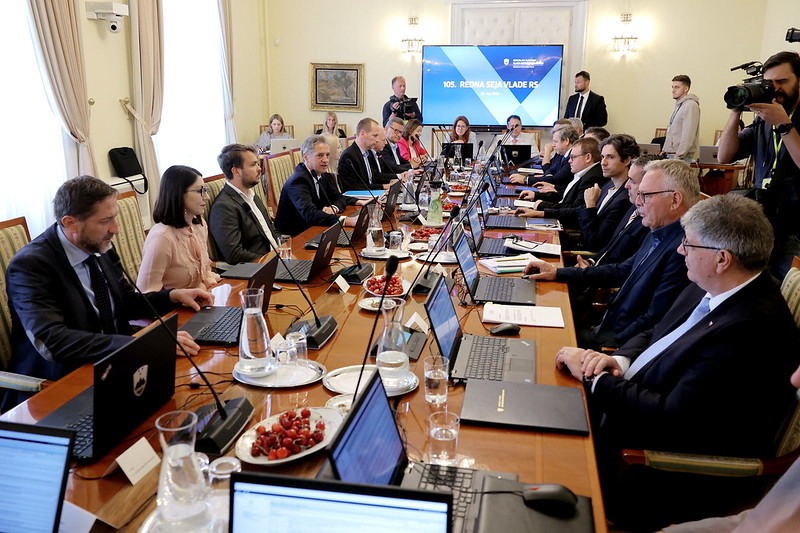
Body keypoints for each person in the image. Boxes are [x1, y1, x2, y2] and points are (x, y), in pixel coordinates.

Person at [556, 194, 800, 530]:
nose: (681, 250)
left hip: (659, 467)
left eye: (689, 244)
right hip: (626, 403)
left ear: (722, 259)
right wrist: (619, 361)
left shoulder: (750, 327)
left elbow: (670, 417)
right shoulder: (714, 283)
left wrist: (593, 378)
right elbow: (657, 330)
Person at [2, 176, 212, 410]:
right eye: (105, 221)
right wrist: (140, 345)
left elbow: (125, 302)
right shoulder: (30, 266)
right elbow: (54, 341)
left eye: (115, 217)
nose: (116, 229)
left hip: (115, 366)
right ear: (71, 223)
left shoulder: (97, 246)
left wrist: (172, 296)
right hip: (60, 385)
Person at [524, 160, 699, 349]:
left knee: (534, 339)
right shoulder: (658, 231)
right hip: (603, 325)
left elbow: (653, 320)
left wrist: (603, 348)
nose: (638, 202)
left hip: (610, 344)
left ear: (675, 200)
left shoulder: (684, 251)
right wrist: (557, 272)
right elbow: (621, 270)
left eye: (645, 195)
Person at [718, 50, 800, 279]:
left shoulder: (783, 119)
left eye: (782, 81)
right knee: (763, 285)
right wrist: (736, 111)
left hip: (795, 228)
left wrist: (784, 124)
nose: (775, 88)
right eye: (770, 83)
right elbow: (724, 156)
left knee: (790, 293)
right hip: (765, 222)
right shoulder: (763, 118)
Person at [137, 165, 221, 292]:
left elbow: (205, 271)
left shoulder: (199, 225)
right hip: (175, 304)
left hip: (202, 298)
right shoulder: (162, 237)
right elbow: (146, 294)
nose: (207, 197)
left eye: (206, 190)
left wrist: (207, 284)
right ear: (179, 194)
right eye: (200, 191)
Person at [274, 135, 367, 236]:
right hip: (294, 236)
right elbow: (310, 214)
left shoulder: (321, 173)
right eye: (320, 155)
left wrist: (334, 208)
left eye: (327, 155)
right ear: (306, 157)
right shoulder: (298, 181)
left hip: (316, 228)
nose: (326, 160)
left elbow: (339, 197)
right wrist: (347, 220)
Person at [209, 143, 281, 264]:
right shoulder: (224, 207)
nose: (259, 169)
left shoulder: (252, 195)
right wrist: (270, 260)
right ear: (236, 171)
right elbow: (234, 254)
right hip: (259, 268)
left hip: (278, 260)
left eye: (257, 164)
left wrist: (284, 249)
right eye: (253, 164)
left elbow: (270, 230)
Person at [513, 137, 606, 227]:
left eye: (573, 157)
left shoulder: (592, 178)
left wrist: (542, 210)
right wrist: (536, 195)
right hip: (559, 215)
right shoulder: (586, 173)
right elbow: (566, 196)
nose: (569, 161)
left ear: (587, 157)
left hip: (566, 226)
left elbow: (574, 210)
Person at [574, 134, 642, 252]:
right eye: (602, 157)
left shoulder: (626, 198)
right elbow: (578, 211)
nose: (603, 163)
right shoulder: (608, 185)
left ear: (627, 160)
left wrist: (590, 206)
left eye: (610, 157)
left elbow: (594, 243)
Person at [338, 118, 411, 192]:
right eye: (375, 135)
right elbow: (352, 187)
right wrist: (383, 186)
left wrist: (391, 181)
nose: (377, 140)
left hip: (373, 193)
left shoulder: (368, 153)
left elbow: (375, 177)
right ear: (362, 134)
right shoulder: (349, 156)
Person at [511, 124, 579, 187]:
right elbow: (550, 170)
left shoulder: (573, 158)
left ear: (566, 141)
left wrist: (525, 179)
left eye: (556, 142)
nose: (553, 145)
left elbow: (555, 180)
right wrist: (549, 177)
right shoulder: (562, 154)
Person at [662, 75, 700, 162]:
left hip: (680, 156)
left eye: (677, 87)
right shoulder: (679, 105)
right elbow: (672, 131)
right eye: (672, 87)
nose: (673, 90)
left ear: (686, 89)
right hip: (671, 154)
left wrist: (679, 156)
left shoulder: (691, 105)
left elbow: (689, 134)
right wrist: (664, 150)